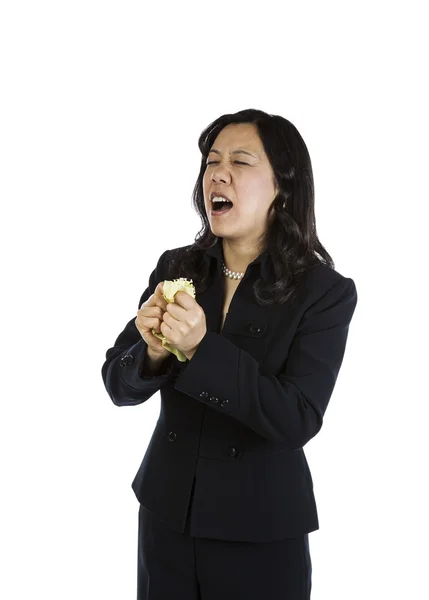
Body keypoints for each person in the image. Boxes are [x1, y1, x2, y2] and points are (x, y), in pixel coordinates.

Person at [101, 108, 358, 599]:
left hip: (260, 531)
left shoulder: (323, 291)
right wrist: (151, 354)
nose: (216, 173)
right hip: (166, 518)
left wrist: (201, 349)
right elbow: (117, 383)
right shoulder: (178, 266)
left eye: (240, 162)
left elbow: (297, 417)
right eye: (211, 161)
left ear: (283, 187)